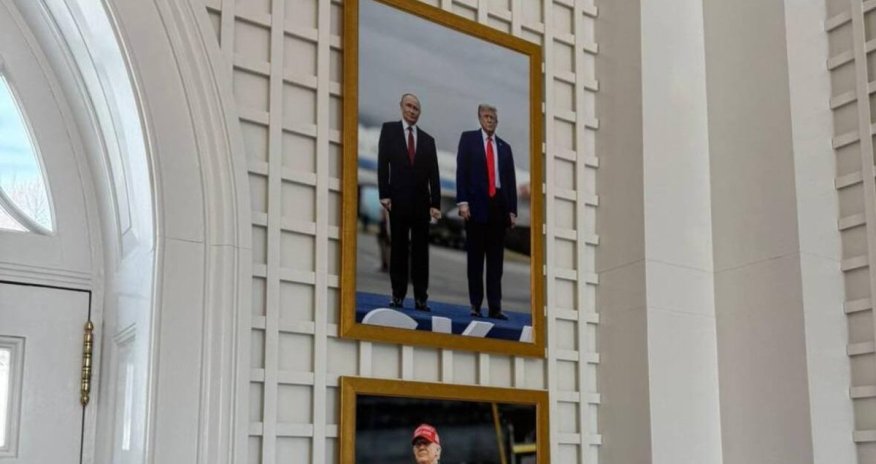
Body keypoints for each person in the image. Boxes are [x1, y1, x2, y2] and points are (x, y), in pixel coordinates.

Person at [377, 93, 441, 311]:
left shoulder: (428, 141)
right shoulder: (389, 130)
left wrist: (436, 204)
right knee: (399, 250)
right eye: (409, 106)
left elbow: (434, 175)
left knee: (421, 253)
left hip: (422, 205)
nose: (412, 111)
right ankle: (398, 295)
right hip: (398, 201)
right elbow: (382, 163)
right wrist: (383, 193)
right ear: (401, 107)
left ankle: (421, 297)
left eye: (416, 109)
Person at [456, 104, 517, 320]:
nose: (490, 120)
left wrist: (512, 210)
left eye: (493, 117)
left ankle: (495, 307)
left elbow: (510, 181)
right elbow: (461, 172)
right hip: (476, 207)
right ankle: (475, 304)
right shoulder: (468, 139)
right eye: (486, 116)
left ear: (497, 122)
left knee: (495, 263)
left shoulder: (504, 147)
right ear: (479, 118)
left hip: (498, 209)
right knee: (475, 260)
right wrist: (462, 202)